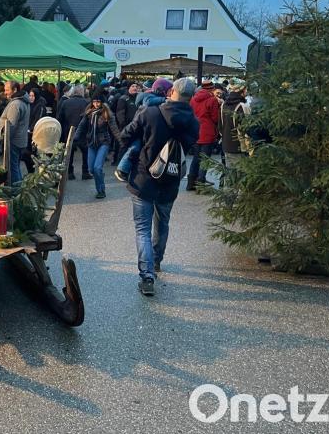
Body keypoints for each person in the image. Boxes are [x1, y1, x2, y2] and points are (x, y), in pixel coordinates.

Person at [119, 78, 199, 296]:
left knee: (142, 229)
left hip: (143, 179)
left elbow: (125, 135)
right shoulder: (193, 121)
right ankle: (156, 261)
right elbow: (191, 145)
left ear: (171, 91)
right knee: (162, 222)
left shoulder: (149, 113)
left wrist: (137, 149)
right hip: (171, 179)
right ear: (191, 97)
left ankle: (147, 277)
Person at [75, 91, 119, 199]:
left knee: (97, 168)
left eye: (98, 102)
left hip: (103, 142)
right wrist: (74, 138)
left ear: (102, 103)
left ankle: (101, 190)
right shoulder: (89, 113)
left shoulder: (107, 114)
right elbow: (81, 127)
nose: (96, 104)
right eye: (94, 102)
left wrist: (122, 142)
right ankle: (99, 177)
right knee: (91, 169)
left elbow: (114, 129)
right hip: (91, 143)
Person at [187, 80, 221, 191]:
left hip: (195, 132)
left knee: (196, 158)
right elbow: (215, 118)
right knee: (205, 159)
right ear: (212, 88)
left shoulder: (193, 99)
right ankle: (201, 183)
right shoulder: (212, 100)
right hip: (207, 133)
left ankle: (190, 183)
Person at [0, 81, 30, 184]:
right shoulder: (23, 102)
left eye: (7, 90)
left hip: (13, 141)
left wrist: (4, 138)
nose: (5, 92)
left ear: (15, 90)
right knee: (16, 167)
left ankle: (16, 192)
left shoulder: (16, 104)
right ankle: (19, 191)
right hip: (20, 140)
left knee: (13, 168)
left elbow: (10, 126)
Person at [56, 84, 90, 180]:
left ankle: (70, 173)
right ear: (82, 92)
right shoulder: (86, 103)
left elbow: (60, 118)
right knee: (85, 152)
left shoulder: (66, 103)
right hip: (83, 132)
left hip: (69, 131)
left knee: (69, 154)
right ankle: (85, 172)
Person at [220, 82, 250, 171]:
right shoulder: (242, 106)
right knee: (240, 174)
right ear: (242, 91)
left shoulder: (223, 105)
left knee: (230, 174)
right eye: (246, 89)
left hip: (226, 144)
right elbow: (246, 128)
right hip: (239, 146)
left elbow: (220, 126)